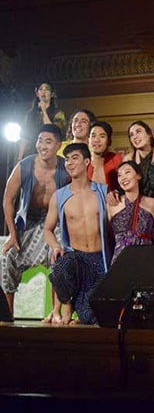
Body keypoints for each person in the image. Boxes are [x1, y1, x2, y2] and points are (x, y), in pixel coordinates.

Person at [1, 125, 69, 320]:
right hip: (28, 222)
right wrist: (13, 234)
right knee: (8, 258)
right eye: (40, 140)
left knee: (59, 257)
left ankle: (55, 312)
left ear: (58, 145)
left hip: (55, 222)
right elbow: (8, 200)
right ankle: (7, 313)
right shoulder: (25, 165)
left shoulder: (65, 168)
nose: (42, 146)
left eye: (48, 142)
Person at [44, 143, 111, 325]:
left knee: (90, 317)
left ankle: (80, 307)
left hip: (100, 260)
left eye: (75, 158)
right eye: (67, 159)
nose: (70, 163)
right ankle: (66, 305)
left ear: (87, 161)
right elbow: (47, 230)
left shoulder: (103, 191)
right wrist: (56, 246)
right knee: (59, 267)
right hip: (76, 257)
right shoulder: (59, 196)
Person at [108, 160, 154, 263]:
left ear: (138, 175)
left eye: (127, 172)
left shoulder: (153, 203)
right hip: (120, 261)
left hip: (146, 260)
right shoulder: (112, 205)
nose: (123, 178)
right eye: (119, 175)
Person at [19, 82, 66, 160]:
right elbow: (24, 137)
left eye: (47, 89)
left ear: (52, 94)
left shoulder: (58, 113)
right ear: (37, 93)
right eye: (41, 89)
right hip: (31, 152)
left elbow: (54, 131)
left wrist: (44, 111)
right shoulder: (30, 114)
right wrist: (20, 157)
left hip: (49, 153)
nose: (43, 92)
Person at [123, 120, 154, 197]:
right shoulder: (128, 159)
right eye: (131, 135)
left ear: (149, 133)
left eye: (138, 131)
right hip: (138, 203)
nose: (135, 137)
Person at [88, 121, 123, 191]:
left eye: (102, 136)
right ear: (88, 140)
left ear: (109, 141)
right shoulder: (82, 163)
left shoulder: (118, 160)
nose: (97, 140)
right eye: (93, 136)